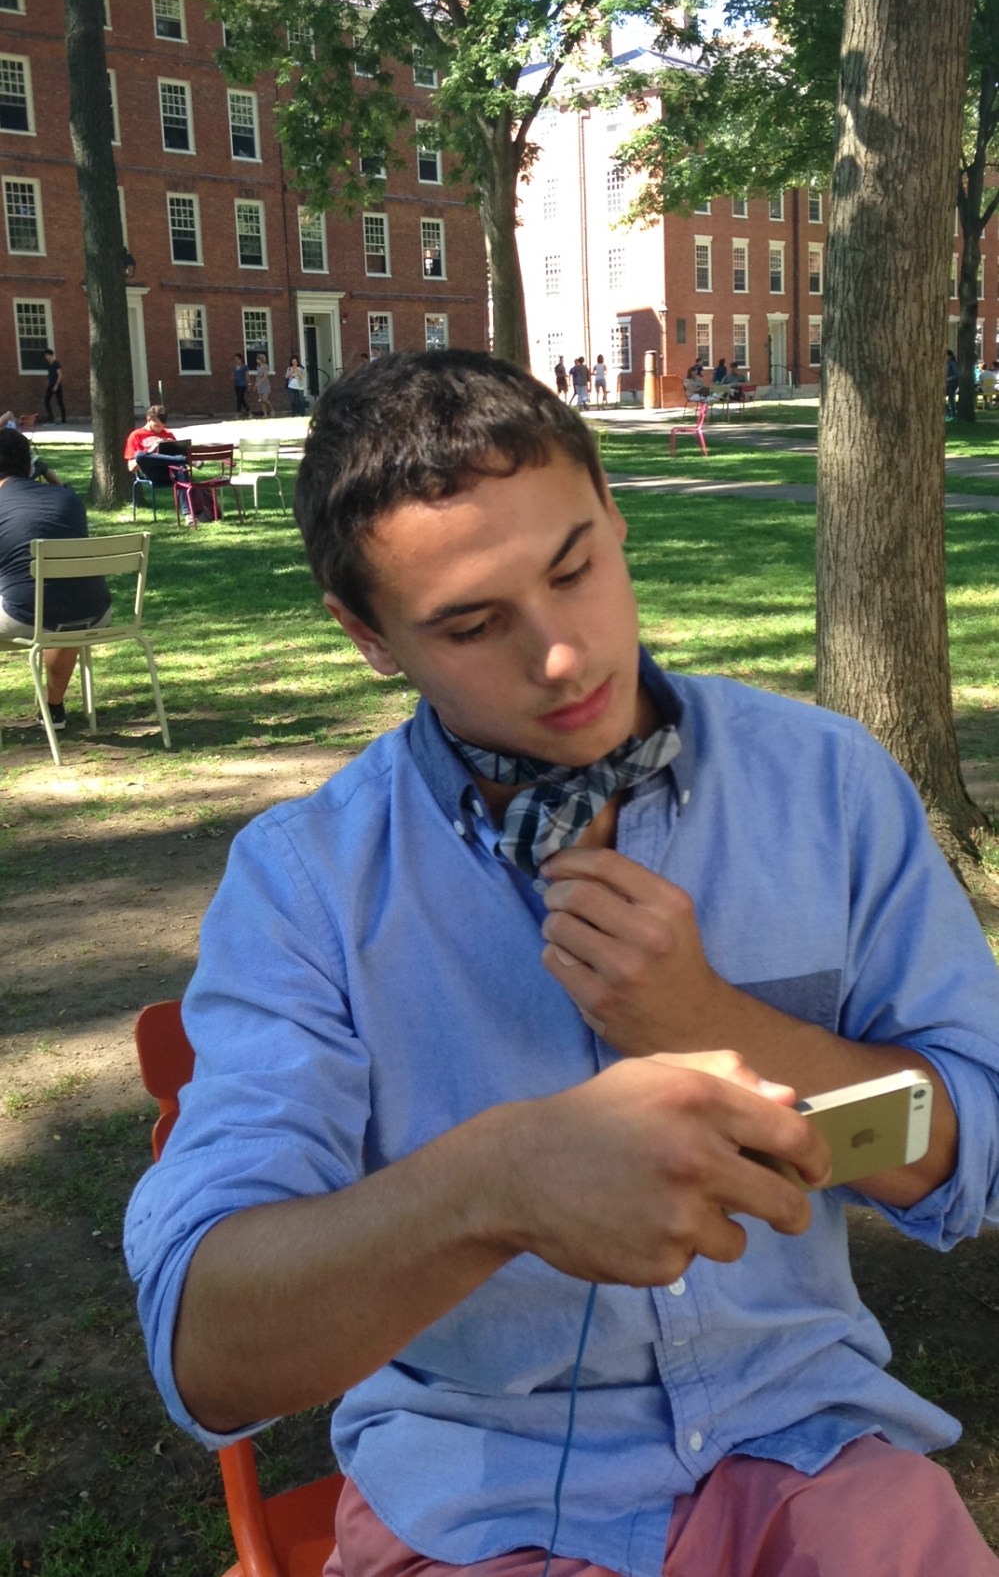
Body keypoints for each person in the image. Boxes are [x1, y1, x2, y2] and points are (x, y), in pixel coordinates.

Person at [125, 352, 999, 1577]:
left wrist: (717, 1022)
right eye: (473, 625)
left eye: (576, 568)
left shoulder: (831, 784)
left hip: (808, 1447)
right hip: (476, 1497)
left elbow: (977, 1144)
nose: (561, 658)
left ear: (614, 514)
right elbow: (204, 1348)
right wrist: (494, 1188)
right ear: (368, 638)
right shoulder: (307, 884)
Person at [0, 427, 111, 731]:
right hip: (94, 613)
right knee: (61, 600)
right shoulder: (68, 499)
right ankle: (53, 709)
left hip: (26, 616)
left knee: (43, 604)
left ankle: (53, 709)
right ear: (29, 465)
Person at [43, 349, 65, 424]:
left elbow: (60, 375)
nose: (46, 357)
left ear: (51, 355)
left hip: (57, 385)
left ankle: (63, 420)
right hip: (51, 385)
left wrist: (56, 385)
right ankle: (51, 419)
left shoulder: (56, 363)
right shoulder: (48, 365)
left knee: (60, 402)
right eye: (45, 356)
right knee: (46, 401)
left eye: (47, 355)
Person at [253, 352, 272, 417]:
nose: (257, 360)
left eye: (258, 359)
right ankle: (265, 414)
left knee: (265, 399)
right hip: (259, 385)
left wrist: (259, 383)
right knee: (261, 401)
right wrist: (255, 385)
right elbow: (257, 376)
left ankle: (272, 409)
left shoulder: (265, 366)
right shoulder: (258, 367)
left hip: (265, 384)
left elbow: (265, 376)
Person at [232, 353, 250, 420]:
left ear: (241, 359)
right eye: (235, 359)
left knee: (239, 399)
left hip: (243, 385)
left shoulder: (244, 367)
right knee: (241, 399)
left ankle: (238, 414)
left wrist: (249, 384)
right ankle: (249, 411)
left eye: (237, 359)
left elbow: (247, 376)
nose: (236, 360)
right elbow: (233, 375)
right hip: (237, 385)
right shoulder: (234, 367)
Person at [945, 349, 959, 418]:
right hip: (946, 384)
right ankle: (947, 412)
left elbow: (956, 375)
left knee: (951, 398)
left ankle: (952, 413)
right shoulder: (946, 363)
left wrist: (948, 379)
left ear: (949, 356)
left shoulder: (952, 363)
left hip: (952, 383)